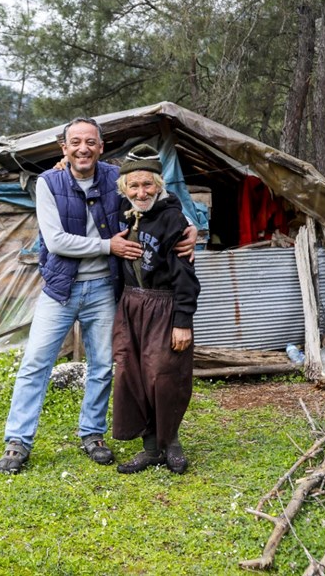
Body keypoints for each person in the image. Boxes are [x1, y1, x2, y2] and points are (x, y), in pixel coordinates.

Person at [0, 119, 195, 474]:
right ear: (64, 148)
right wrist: (109, 245)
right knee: (36, 363)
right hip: (60, 288)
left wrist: (188, 226)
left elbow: (152, 191)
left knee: (103, 365)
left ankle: (92, 433)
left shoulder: (112, 177)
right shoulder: (48, 182)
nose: (82, 148)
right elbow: (54, 241)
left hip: (104, 287)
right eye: (75, 142)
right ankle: (18, 440)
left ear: (101, 147)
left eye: (90, 141)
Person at [111, 144, 201, 475]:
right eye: (133, 185)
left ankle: (171, 442)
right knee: (132, 375)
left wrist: (182, 321)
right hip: (131, 305)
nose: (141, 191)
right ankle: (150, 448)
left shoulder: (172, 220)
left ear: (159, 185)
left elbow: (186, 276)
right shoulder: (124, 212)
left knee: (164, 376)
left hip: (163, 307)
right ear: (123, 188)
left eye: (148, 184)